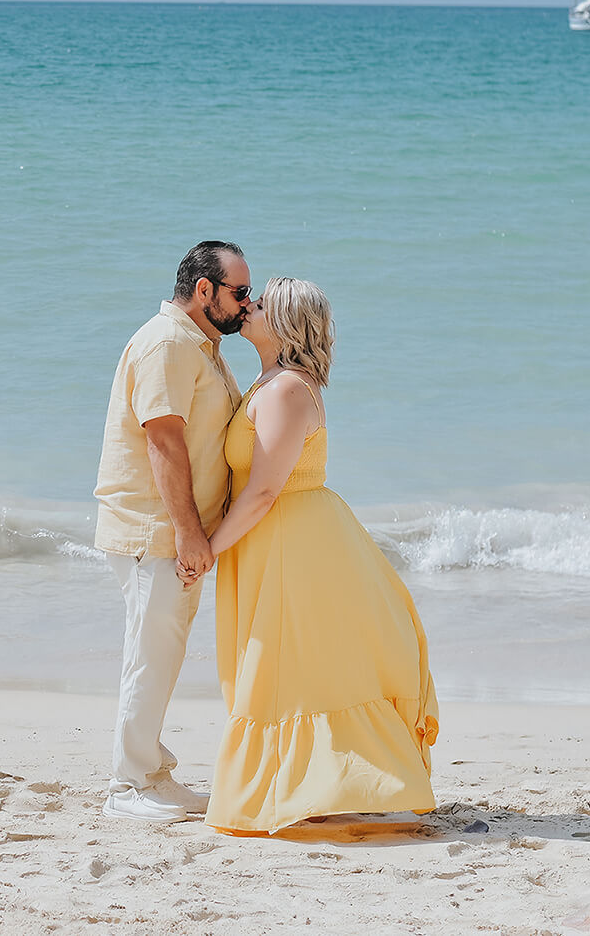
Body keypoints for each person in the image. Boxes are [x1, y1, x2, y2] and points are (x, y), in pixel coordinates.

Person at [205, 277, 438, 835]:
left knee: (290, 668)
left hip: (294, 542)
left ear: (286, 324)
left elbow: (264, 490)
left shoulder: (287, 389)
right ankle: (312, 787)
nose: (249, 306)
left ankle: (316, 789)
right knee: (293, 668)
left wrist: (208, 550)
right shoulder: (269, 381)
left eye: (260, 304)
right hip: (273, 540)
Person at [93, 240, 252, 822]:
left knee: (161, 651)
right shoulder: (167, 342)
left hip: (173, 530)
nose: (246, 303)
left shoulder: (199, 345)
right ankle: (129, 785)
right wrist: (188, 532)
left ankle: (151, 773)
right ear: (204, 290)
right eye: (239, 292)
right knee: (150, 653)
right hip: (153, 529)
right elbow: (163, 439)